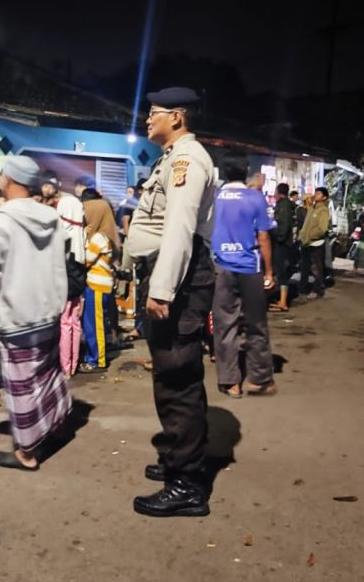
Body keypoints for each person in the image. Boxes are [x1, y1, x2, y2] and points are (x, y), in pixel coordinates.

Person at [123, 87, 215, 518]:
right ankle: (180, 459)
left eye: (154, 113)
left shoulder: (185, 159)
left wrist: (162, 289)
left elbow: (179, 227)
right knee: (171, 374)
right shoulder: (173, 157)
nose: (147, 120)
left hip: (178, 276)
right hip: (173, 272)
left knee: (177, 377)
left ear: (177, 117)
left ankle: (188, 483)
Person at [0, 156, 71, 471]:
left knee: (21, 385)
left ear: (9, 179)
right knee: (45, 374)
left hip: (17, 314)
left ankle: (26, 452)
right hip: (49, 309)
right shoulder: (51, 217)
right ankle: (53, 425)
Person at [210, 157, 275, 398]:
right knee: (256, 324)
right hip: (250, 267)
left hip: (220, 268)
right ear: (246, 172)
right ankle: (258, 379)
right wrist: (269, 272)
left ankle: (230, 382)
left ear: (224, 172)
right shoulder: (255, 198)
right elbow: (264, 237)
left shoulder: (213, 198)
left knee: (225, 325)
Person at [41, 174, 86, 377]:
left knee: (65, 323)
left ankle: (65, 366)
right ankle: (73, 364)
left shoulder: (62, 236)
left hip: (64, 280)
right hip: (79, 279)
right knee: (75, 323)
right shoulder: (81, 234)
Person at [79, 196, 120, 373]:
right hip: (98, 286)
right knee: (92, 324)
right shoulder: (103, 236)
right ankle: (92, 357)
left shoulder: (98, 238)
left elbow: (86, 260)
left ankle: (98, 360)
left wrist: (83, 236)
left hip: (96, 286)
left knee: (94, 325)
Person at [297, 188, 331, 300]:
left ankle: (317, 290)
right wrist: (302, 235)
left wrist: (310, 236)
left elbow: (322, 229)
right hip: (306, 243)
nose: (315, 195)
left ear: (324, 197)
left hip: (316, 243)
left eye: (318, 193)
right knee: (304, 267)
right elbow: (306, 225)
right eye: (315, 193)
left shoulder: (324, 210)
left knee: (317, 268)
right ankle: (302, 290)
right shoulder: (312, 208)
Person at [270, 183, 295, 312]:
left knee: (282, 272)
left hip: (283, 244)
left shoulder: (284, 205)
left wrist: (278, 238)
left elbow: (284, 226)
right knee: (280, 272)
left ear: (278, 191)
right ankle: (281, 300)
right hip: (284, 243)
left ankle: (283, 302)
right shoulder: (283, 204)